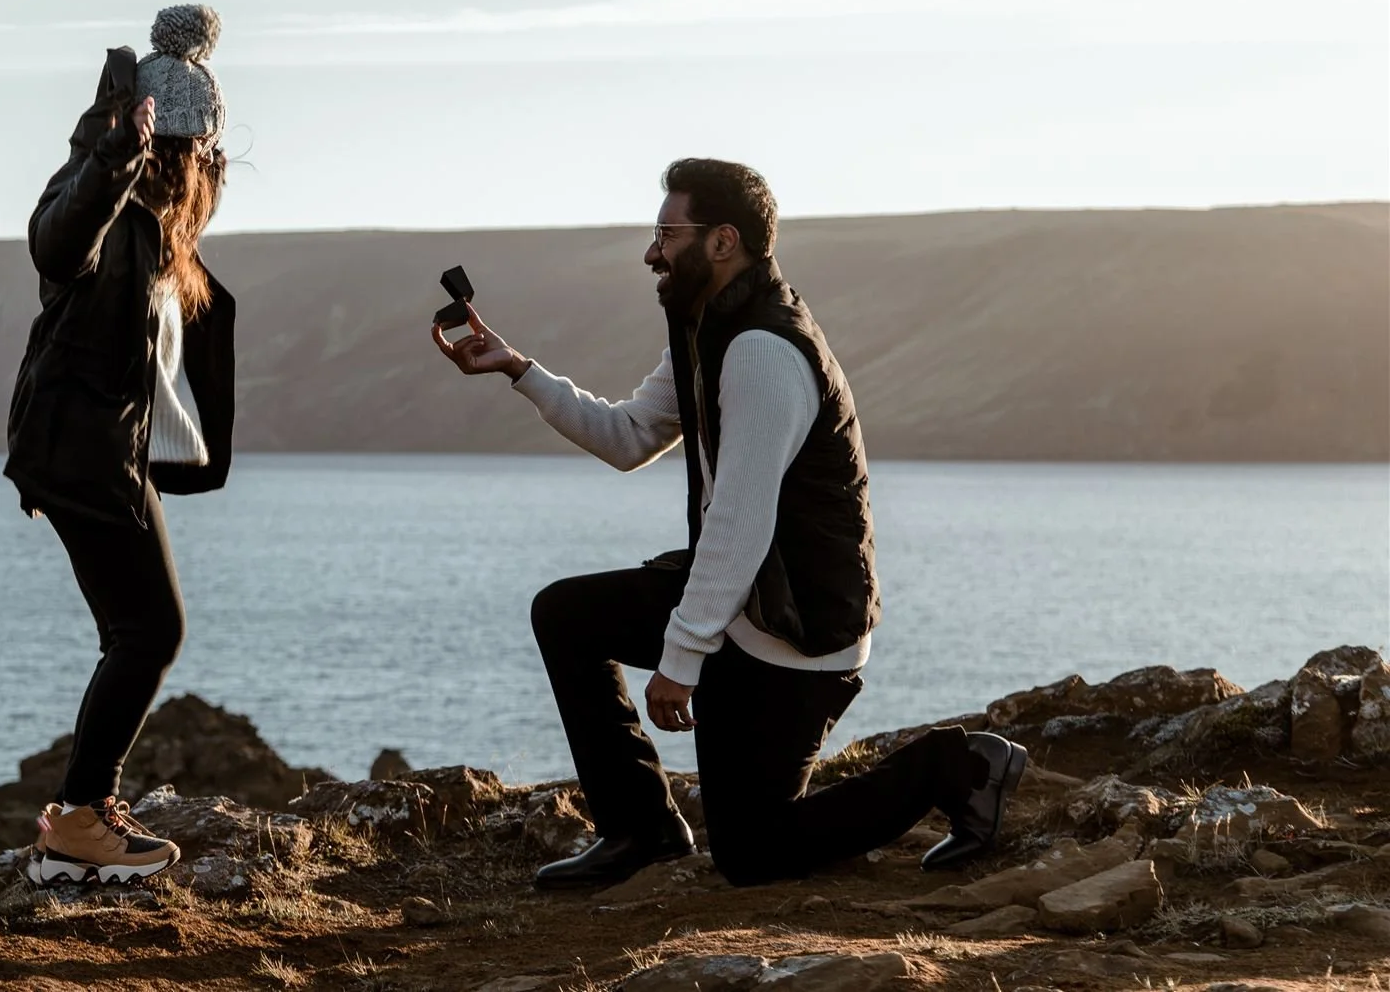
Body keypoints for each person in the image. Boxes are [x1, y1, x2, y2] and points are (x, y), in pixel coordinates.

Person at [432, 158, 1027, 890]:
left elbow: (741, 525)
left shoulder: (761, 350)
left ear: (722, 241)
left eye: (666, 233)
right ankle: (641, 829)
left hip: (795, 632)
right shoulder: (706, 329)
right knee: (566, 613)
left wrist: (680, 661)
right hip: (751, 603)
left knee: (752, 853)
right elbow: (628, 437)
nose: (652, 252)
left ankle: (958, 765)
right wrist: (519, 368)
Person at [4, 4, 236, 885]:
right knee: (149, 629)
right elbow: (55, 243)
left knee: (139, 629)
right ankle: (77, 821)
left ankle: (82, 814)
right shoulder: (100, 212)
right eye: (202, 155)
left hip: (103, 451)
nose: (212, 170)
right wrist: (113, 153)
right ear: (173, 155)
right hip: (79, 453)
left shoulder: (156, 227)